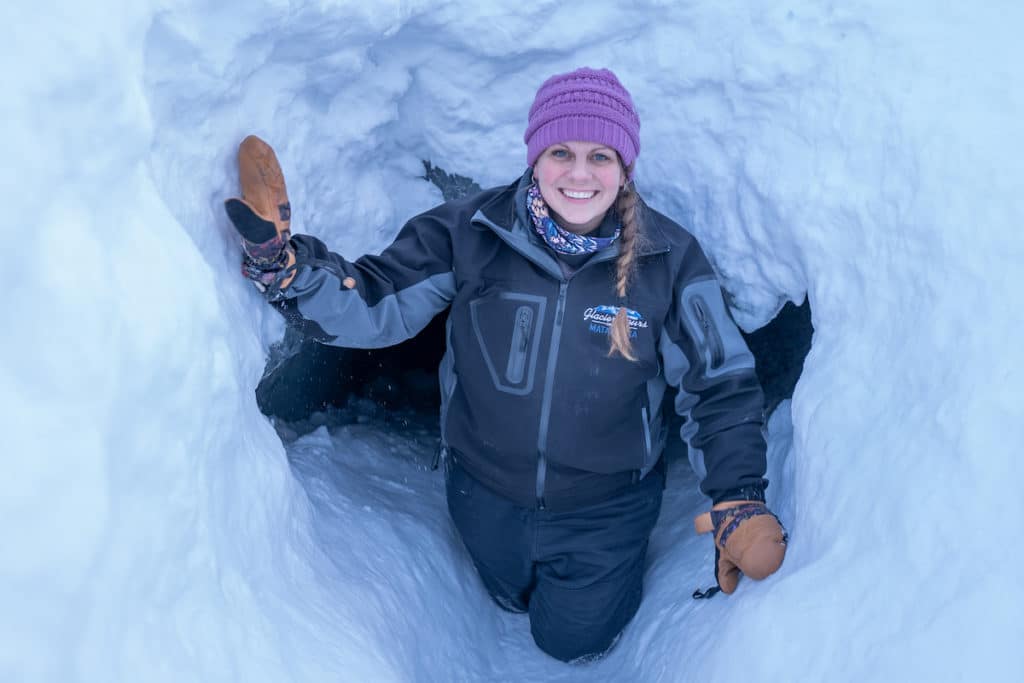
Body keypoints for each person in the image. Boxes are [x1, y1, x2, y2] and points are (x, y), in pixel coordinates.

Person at [224, 67, 787, 664]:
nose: (578, 173)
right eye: (561, 151)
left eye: (600, 155)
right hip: (482, 490)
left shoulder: (668, 261)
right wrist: (284, 267)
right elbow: (374, 303)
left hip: (606, 510)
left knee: (570, 641)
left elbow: (718, 381)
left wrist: (739, 497)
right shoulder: (471, 232)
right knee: (506, 597)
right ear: (534, 156)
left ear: (625, 168)